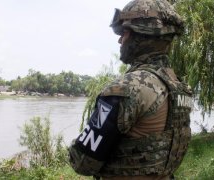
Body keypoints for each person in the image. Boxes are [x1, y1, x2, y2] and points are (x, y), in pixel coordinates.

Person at [68, 0, 193, 179]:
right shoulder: (180, 87)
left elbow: (83, 162)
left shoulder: (127, 88)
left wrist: (74, 147)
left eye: (125, 32)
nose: (120, 40)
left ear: (142, 36)